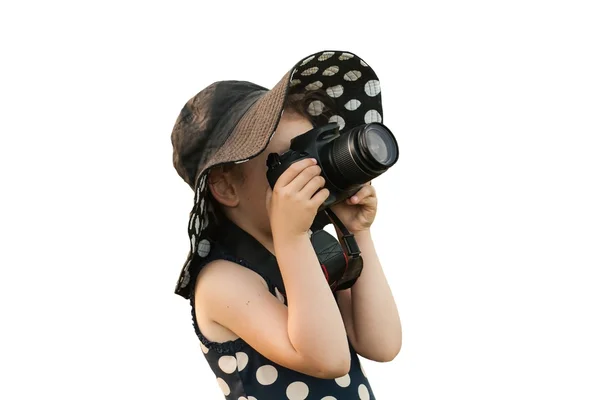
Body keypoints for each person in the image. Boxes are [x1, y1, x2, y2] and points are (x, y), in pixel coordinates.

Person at [171, 50, 402, 400]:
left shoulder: (308, 254)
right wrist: (292, 237)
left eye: (315, 151)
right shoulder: (222, 279)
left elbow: (382, 344)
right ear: (226, 186)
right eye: (291, 161)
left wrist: (358, 232)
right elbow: (328, 359)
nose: (314, 173)